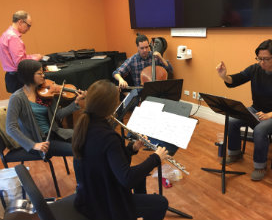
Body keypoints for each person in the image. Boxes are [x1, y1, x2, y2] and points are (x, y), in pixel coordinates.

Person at [72, 80, 169, 220]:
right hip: (105, 204)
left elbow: (107, 160)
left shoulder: (84, 126)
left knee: (140, 178)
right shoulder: (108, 136)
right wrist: (156, 158)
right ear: (111, 107)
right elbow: (127, 179)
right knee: (161, 203)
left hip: (90, 193)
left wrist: (132, 148)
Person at [216, 39, 272, 181]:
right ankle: (235, 152)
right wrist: (224, 76)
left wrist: (269, 115)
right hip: (257, 109)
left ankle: (260, 166)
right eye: (259, 59)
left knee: (260, 129)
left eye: (266, 59)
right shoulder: (255, 69)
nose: (261, 62)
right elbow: (237, 79)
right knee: (233, 120)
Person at [6, 59, 86, 182]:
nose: (44, 75)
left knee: (87, 138)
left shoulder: (44, 92)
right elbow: (10, 128)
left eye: (43, 72)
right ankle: (82, 185)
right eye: (40, 73)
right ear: (29, 75)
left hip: (56, 133)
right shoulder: (17, 98)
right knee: (78, 151)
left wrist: (75, 103)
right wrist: (33, 145)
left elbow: (58, 115)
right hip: (41, 142)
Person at [0, 10, 42, 93]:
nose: (29, 29)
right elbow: (20, 63)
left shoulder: (6, 34)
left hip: (11, 76)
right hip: (17, 77)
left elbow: (18, 58)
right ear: (20, 22)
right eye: (28, 25)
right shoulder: (13, 37)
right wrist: (36, 58)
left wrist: (32, 56)